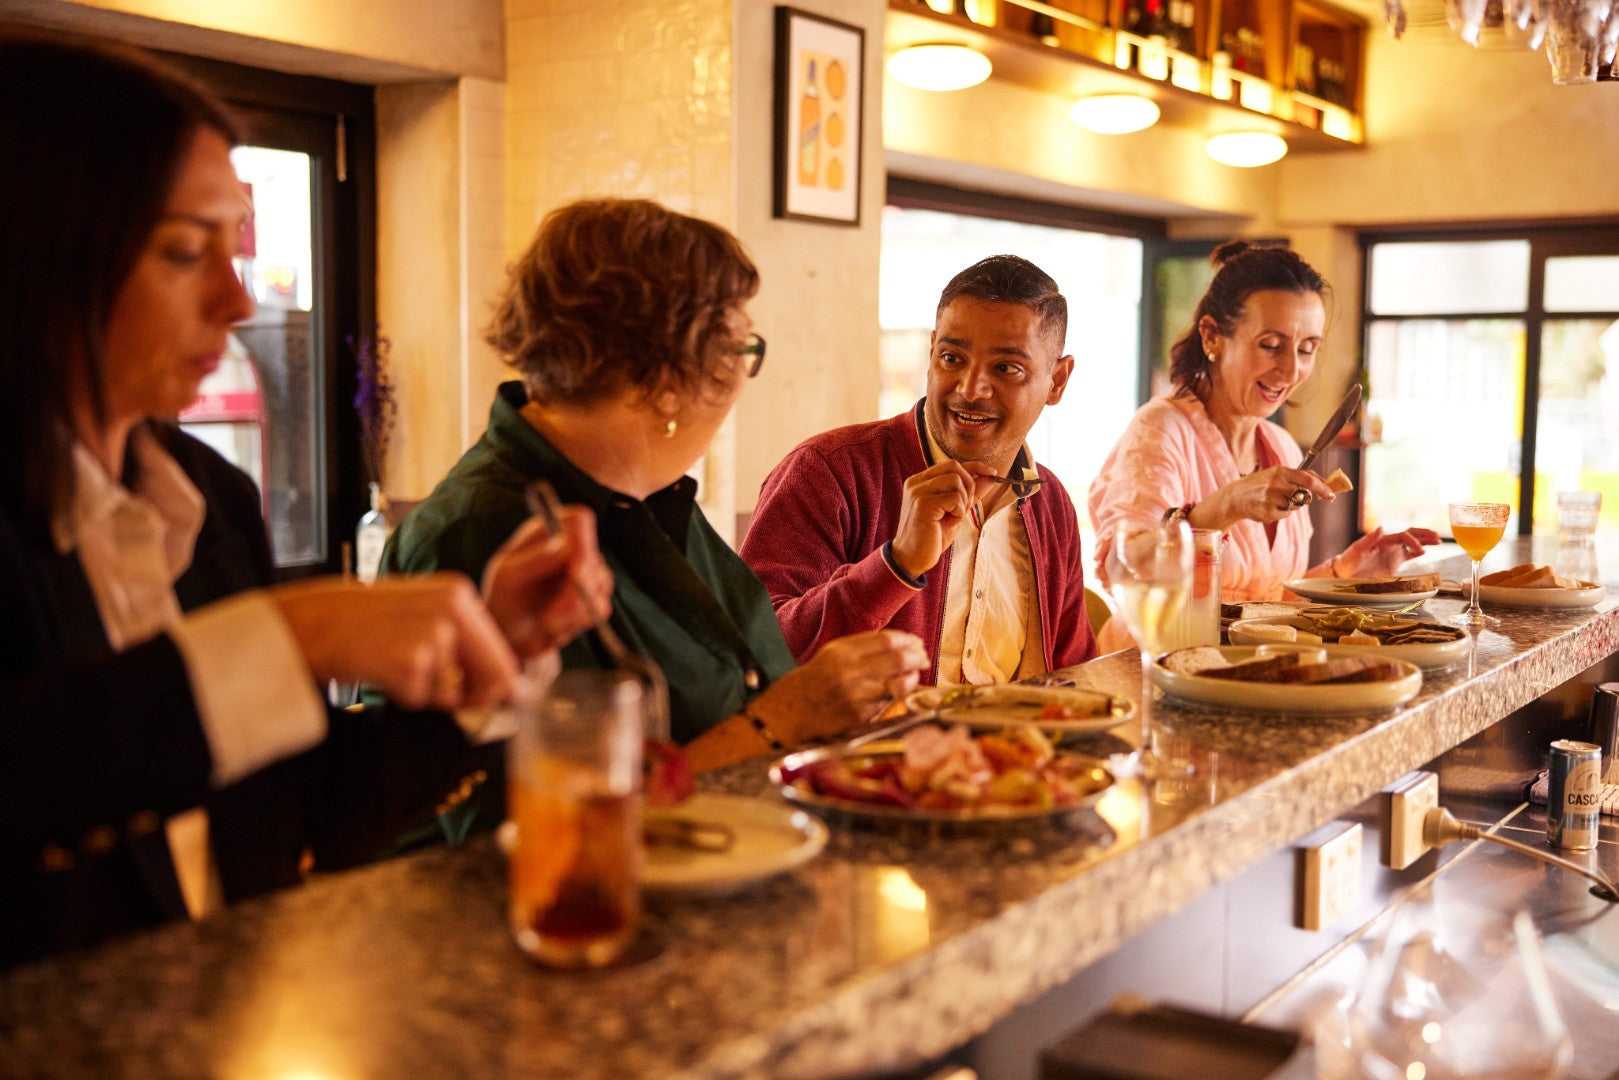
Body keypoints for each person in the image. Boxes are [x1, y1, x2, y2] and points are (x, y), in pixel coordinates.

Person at [0, 32, 612, 967]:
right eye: (181, 251)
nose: (236, 302)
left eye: (235, 249)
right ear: (40, 254)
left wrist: (487, 661)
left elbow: (298, 822)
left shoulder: (208, 501)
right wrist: (290, 636)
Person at [382, 198, 928, 773]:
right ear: (668, 380)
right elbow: (517, 817)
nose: (744, 377)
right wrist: (781, 722)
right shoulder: (477, 535)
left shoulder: (654, 496)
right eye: (742, 349)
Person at [740, 255, 1097, 686]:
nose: (970, 388)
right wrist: (897, 564)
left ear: (1057, 381)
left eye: (1006, 368)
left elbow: (1075, 681)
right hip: (863, 754)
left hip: (1014, 752)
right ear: (930, 354)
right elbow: (756, 658)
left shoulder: (1051, 504)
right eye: (952, 358)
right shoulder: (826, 473)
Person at [1088, 242, 1437, 643]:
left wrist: (1344, 573)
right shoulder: (1160, 429)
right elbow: (1126, 566)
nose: (1291, 369)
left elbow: (1271, 605)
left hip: (1245, 673)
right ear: (1212, 337)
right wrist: (1226, 505)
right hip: (1154, 668)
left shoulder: (1281, 446)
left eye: (1307, 349)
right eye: (1271, 345)